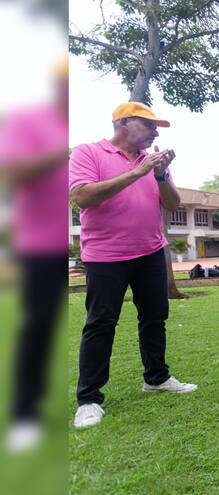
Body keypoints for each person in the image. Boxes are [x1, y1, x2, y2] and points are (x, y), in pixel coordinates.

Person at [67, 102, 197, 430]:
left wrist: (160, 173)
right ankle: (89, 399)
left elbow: (172, 203)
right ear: (124, 122)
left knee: (154, 318)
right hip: (106, 255)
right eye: (149, 125)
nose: (155, 132)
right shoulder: (88, 152)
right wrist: (136, 173)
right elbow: (81, 196)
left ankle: (157, 378)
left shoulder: (151, 162)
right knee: (101, 323)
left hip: (150, 252)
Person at [0, 61, 69, 450]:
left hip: (82, 247)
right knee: (38, 326)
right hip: (40, 246)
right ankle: (25, 414)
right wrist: (58, 153)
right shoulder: (28, 121)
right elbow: (13, 173)